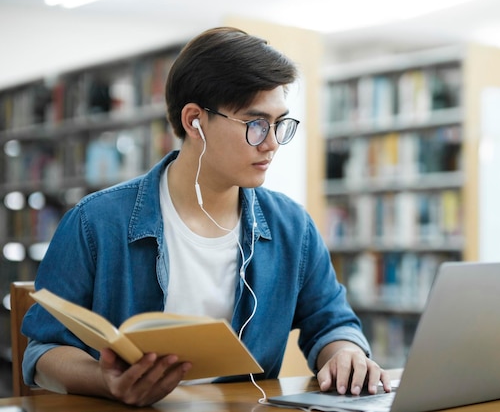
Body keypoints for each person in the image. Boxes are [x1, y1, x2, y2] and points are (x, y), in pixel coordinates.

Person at [21, 27, 391, 406]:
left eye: (280, 123)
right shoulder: (94, 223)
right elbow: (43, 352)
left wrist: (346, 352)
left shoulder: (292, 227)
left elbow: (331, 323)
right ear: (194, 120)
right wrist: (106, 381)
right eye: (256, 124)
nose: (272, 143)